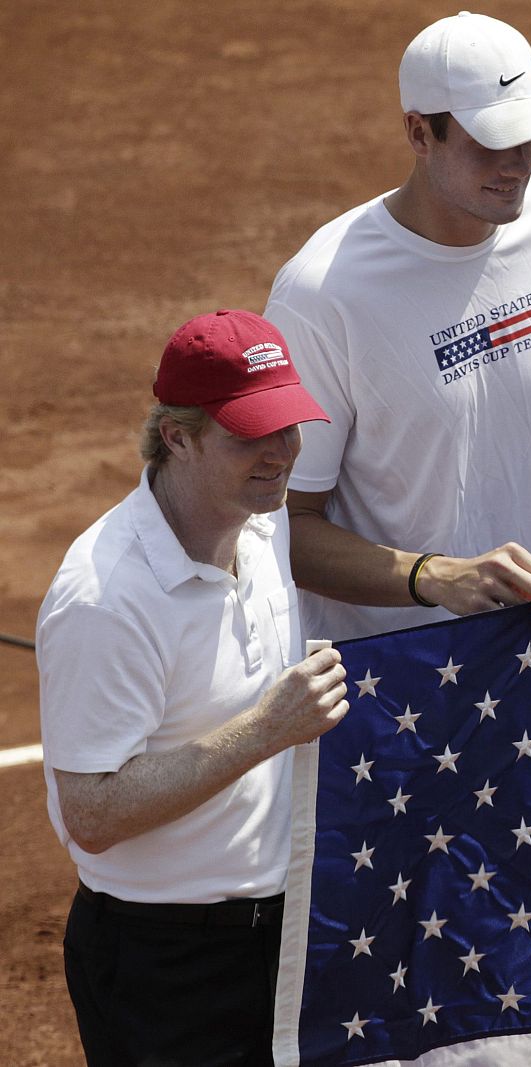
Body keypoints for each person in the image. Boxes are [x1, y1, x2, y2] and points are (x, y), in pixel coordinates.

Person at [36, 310, 349, 1065]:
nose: (280, 453)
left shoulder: (261, 526)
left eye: (289, 426)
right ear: (177, 435)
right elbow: (92, 813)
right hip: (166, 965)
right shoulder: (107, 598)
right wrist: (265, 728)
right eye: (250, 434)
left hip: (285, 937)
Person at [266, 10, 531, 640]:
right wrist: (435, 576)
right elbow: (282, 526)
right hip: (405, 691)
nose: (517, 164)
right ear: (420, 133)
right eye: (490, 142)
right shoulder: (322, 295)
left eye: (527, 137)